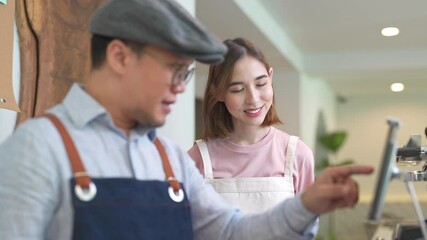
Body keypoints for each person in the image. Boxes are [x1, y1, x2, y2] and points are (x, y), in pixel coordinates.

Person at [0, 0, 374, 239]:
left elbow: (231, 231)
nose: (181, 88)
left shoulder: (168, 158)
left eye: (187, 74)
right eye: (173, 69)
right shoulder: (38, 147)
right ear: (119, 56)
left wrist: (306, 203)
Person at [188, 37, 315, 214]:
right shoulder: (196, 159)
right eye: (238, 89)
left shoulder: (298, 155)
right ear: (217, 92)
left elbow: (306, 229)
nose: (253, 99)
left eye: (261, 84)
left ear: (270, 77)